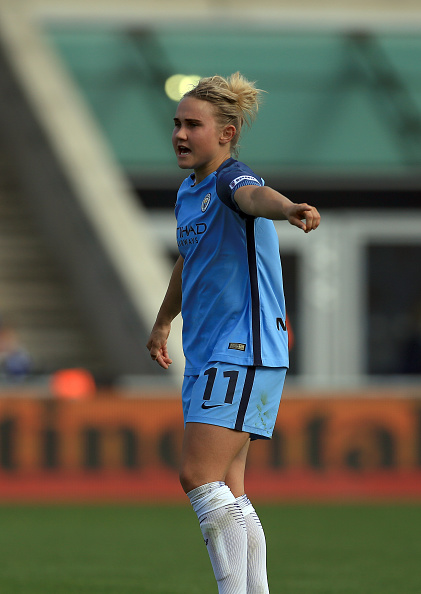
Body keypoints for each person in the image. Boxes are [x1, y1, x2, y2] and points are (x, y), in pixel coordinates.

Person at [147, 72, 320, 593]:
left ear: (227, 132)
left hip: (240, 349)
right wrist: (162, 320)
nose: (179, 134)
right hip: (214, 352)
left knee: (198, 477)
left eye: (192, 125)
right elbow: (189, 260)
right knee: (230, 488)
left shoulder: (229, 179)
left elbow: (254, 197)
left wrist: (288, 208)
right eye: (177, 123)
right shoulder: (190, 191)